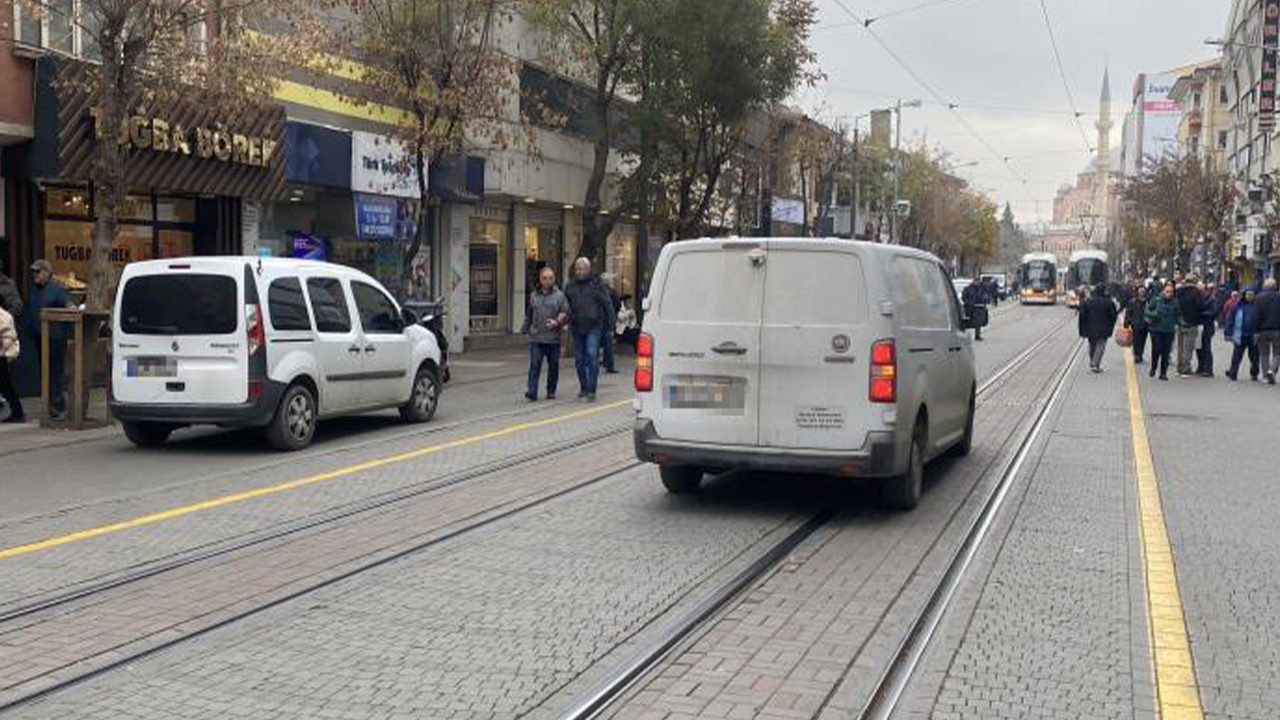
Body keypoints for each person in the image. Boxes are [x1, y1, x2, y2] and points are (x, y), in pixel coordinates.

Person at [23, 260, 73, 419]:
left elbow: (69, 306)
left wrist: (71, 308)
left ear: (46, 272)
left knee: (55, 372)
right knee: (46, 371)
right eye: (33, 272)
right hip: (39, 337)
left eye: (37, 272)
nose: (34, 275)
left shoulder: (56, 289)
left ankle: (59, 406)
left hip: (55, 338)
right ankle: (51, 405)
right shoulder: (35, 289)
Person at [564, 257, 615, 402]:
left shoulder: (596, 285)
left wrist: (611, 325)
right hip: (577, 326)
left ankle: (591, 390)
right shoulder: (570, 286)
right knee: (579, 360)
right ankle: (584, 387)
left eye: (582, 269)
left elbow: (607, 305)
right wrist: (561, 319)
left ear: (588, 270)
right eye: (578, 269)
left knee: (592, 355)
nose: (580, 272)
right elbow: (564, 305)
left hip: (594, 326)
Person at [521, 267, 570, 402]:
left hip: (553, 338)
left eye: (550, 278)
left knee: (553, 366)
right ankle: (532, 392)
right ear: (540, 279)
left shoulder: (559, 296)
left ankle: (551, 390)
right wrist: (525, 329)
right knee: (535, 365)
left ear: (553, 280)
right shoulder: (533, 295)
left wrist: (557, 321)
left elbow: (565, 312)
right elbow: (529, 314)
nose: (547, 281)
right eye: (544, 278)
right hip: (536, 337)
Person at [1079, 283, 1118, 373]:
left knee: (1092, 345)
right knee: (1100, 345)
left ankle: (1092, 362)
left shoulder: (1088, 301)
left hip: (1090, 328)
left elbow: (1082, 314)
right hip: (1103, 328)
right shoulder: (1108, 302)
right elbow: (1113, 315)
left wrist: (1083, 328)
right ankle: (1095, 364)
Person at [1145, 281, 1180, 381]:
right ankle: (1153, 367)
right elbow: (1147, 311)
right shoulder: (1156, 300)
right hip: (1156, 329)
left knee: (1166, 352)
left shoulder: (1175, 302)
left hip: (1169, 330)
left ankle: (1163, 373)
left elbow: (1178, 314)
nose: (1169, 294)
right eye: (1167, 291)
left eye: (1171, 292)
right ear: (1163, 291)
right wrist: (1154, 314)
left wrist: (1181, 322)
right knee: (1156, 348)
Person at [1223, 287, 1261, 382]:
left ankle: (1254, 373)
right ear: (1244, 295)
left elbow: (1261, 320)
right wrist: (1228, 333)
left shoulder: (1257, 307)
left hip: (1253, 335)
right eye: (1248, 294)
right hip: (1240, 335)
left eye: (1252, 295)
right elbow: (1230, 320)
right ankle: (1233, 373)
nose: (1250, 296)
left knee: (1254, 357)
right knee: (1236, 356)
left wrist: (1259, 332)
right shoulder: (1237, 306)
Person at [1174, 275, 1203, 378]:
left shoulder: (1178, 291)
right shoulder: (1196, 292)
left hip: (1180, 322)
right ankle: (1186, 369)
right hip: (1192, 322)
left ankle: (1179, 367)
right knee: (1188, 347)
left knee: (1180, 347)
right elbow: (1200, 306)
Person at [0, 298, 22, 423]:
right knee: (5, 385)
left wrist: (4, 345)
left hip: (1, 355)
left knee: (5, 385)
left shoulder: (4, 316)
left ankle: (17, 412)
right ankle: (17, 411)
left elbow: (9, 336)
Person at [1254, 278, 1280, 385]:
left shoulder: (1259, 298)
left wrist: (1256, 331)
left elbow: (1256, 316)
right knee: (1277, 353)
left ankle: (1265, 376)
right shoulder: (1279, 297)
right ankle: (1272, 370)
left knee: (1264, 354)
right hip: (1277, 330)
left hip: (1262, 330)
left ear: (1265, 286)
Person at [1195, 282, 1219, 377]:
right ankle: (1201, 367)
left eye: (1201, 290)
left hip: (1207, 325)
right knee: (1199, 347)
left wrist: (1201, 314)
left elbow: (1213, 312)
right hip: (1200, 325)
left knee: (1206, 347)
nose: (1200, 292)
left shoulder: (1212, 299)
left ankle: (1208, 369)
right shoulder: (1199, 298)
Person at [599, 275, 622, 375]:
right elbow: (618, 304)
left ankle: (599, 362)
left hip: (599, 321)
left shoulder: (598, 291)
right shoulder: (612, 292)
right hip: (609, 321)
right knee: (609, 345)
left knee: (598, 344)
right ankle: (609, 365)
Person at [1125, 285, 1150, 364]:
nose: (1142, 293)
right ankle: (1136, 355)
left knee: (1142, 340)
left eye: (1143, 291)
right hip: (1135, 324)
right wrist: (1127, 322)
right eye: (1140, 291)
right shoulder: (1132, 302)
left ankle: (1140, 354)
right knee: (1136, 340)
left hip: (1145, 324)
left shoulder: (1148, 302)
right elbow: (1128, 312)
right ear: (1137, 292)